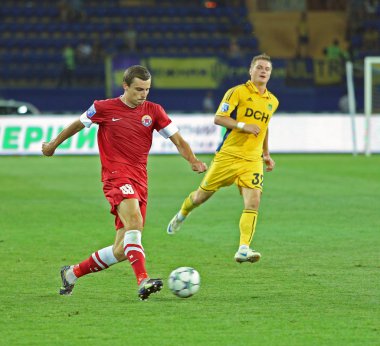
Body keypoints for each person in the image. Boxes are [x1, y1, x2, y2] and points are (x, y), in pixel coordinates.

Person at [42, 65, 207, 300]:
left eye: (147, 89)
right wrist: (53, 145)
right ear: (125, 86)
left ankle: (71, 273)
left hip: (140, 179)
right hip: (116, 176)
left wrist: (193, 160)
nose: (143, 94)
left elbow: (178, 140)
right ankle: (143, 280)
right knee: (135, 223)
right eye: (139, 89)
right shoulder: (103, 108)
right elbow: (77, 124)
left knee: (121, 250)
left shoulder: (154, 111)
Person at [167, 54, 279, 263]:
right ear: (251, 71)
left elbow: (264, 128)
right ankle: (182, 214)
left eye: (267, 69)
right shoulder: (237, 92)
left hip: (252, 160)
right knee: (201, 197)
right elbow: (219, 118)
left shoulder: (272, 101)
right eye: (259, 67)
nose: (263, 71)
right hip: (228, 156)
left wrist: (266, 154)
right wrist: (243, 126)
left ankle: (243, 248)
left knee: (253, 202)